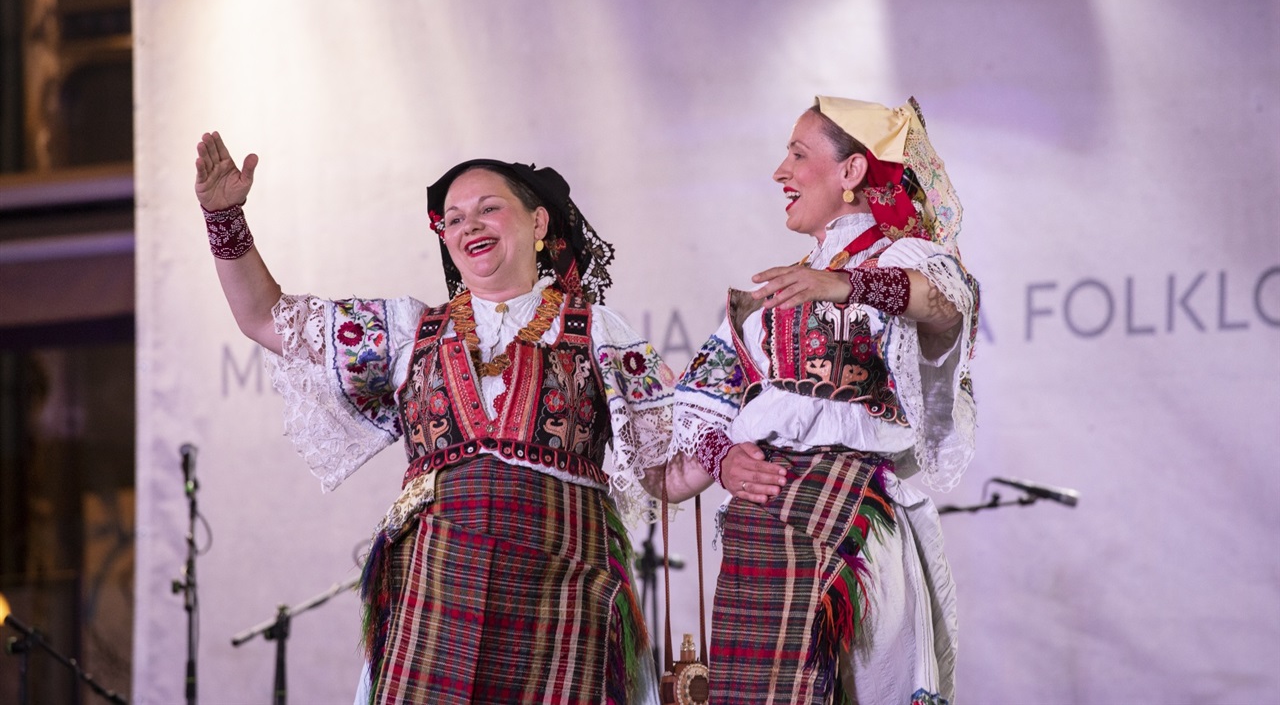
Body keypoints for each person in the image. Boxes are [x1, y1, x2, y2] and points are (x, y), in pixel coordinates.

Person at [194, 132, 694, 704]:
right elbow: (264, 318)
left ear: (537, 224)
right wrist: (222, 217)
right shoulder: (410, 331)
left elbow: (666, 469)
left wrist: (732, 446)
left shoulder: (600, 333)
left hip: (566, 584)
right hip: (440, 585)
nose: (468, 226)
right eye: (452, 220)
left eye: (488, 209)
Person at [668, 96, 979, 704]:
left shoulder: (901, 259)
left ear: (852, 173)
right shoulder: (771, 296)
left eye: (798, 154)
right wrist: (722, 457)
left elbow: (946, 305)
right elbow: (697, 410)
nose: (781, 172)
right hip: (761, 539)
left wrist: (847, 283)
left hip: (852, 527)